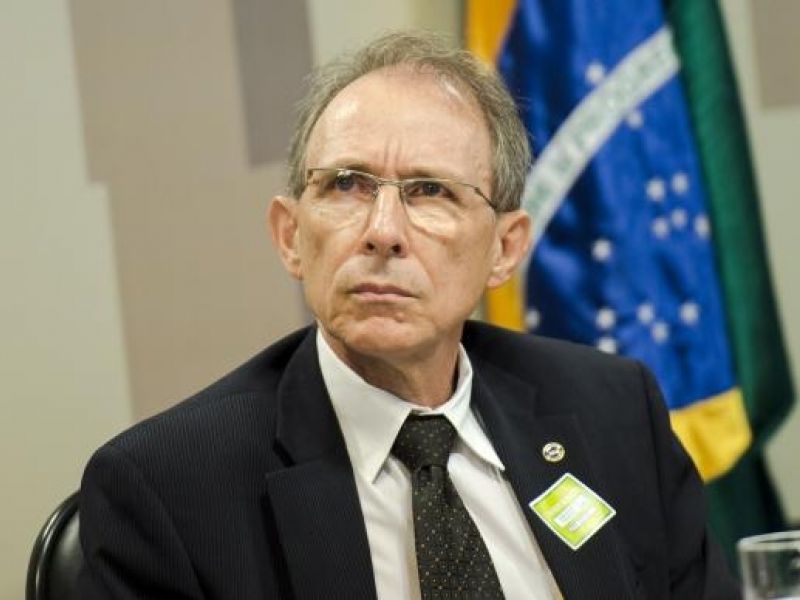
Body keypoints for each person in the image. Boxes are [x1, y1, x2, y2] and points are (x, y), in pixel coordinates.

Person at [77, 31, 740, 599]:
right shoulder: (167, 491)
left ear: (505, 249)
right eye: (346, 185)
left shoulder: (613, 411)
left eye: (430, 191)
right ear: (290, 236)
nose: (383, 232)